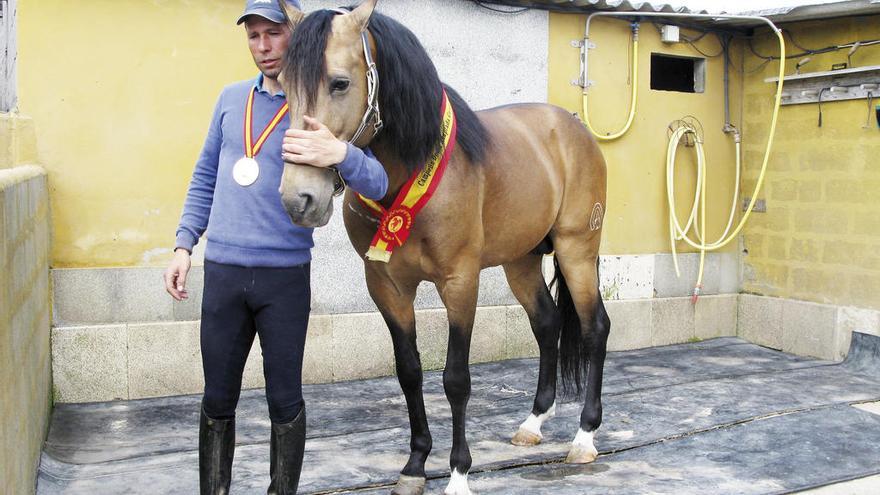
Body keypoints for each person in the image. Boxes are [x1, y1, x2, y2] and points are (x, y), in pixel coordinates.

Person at [163, 1, 388, 493]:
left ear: (296, 35)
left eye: (273, 34)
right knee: (217, 397)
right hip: (222, 272)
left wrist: (342, 153)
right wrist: (184, 245)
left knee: (284, 399)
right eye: (253, 36)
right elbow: (205, 177)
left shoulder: (315, 102)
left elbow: (379, 180)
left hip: (283, 278)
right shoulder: (230, 99)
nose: (263, 47)